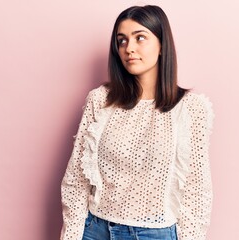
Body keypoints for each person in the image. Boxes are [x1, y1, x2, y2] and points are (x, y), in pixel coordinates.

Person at [60, 5, 214, 240]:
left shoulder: (191, 108)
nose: (129, 48)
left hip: (155, 233)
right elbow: (76, 179)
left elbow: (196, 191)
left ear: (162, 45)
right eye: (122, 41)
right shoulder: (100, 100)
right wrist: (71, 235)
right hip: (95, 230)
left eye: (140, 38)